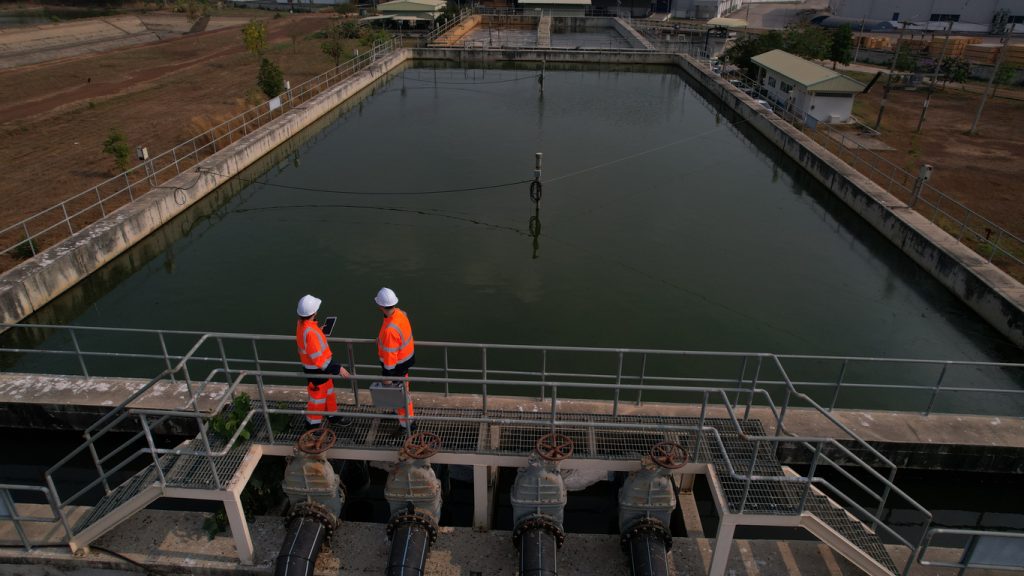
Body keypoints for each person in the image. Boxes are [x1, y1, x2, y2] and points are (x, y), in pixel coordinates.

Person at [296, 294, 349, 430]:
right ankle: (312, 428)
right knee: (317, 400)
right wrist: (338, 369)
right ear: (314, 312)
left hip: (320, 370)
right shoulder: (311, 333)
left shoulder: (303, 325)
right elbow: (319, 360)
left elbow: (310, 340)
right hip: (317, 371)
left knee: (329, 393)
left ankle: (332, 416)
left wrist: (319, 330)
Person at [374, 287, 416, 431]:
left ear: (380, 306)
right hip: (405, 362)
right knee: (404, 391)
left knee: (400, 396)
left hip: (396, 367)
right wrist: (381, 339)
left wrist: (387, 377)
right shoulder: (399, 314)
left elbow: (390, 356)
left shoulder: (390, 330)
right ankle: (404, 418)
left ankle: (407, 426)